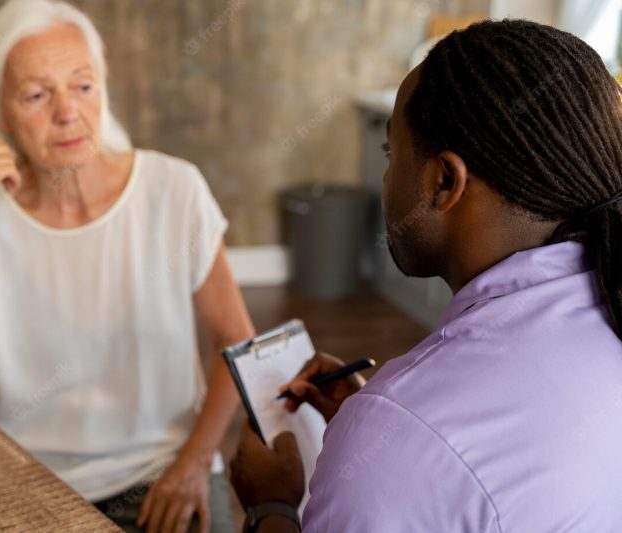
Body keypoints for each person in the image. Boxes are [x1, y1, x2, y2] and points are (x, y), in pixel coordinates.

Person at [229, 19, 622, 532]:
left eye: (392, 154)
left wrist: (272, 505)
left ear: (443, 181)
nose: (388, 175)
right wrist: (384, 430)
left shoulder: (412, 434)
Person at [0, 1, 253, 531]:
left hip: (160, 474)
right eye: (36, 95)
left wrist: (193, 462)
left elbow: (235, 344)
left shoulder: (174, 190)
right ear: (2, 114)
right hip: (20, 479)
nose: (67, 112)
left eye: (83, 85)